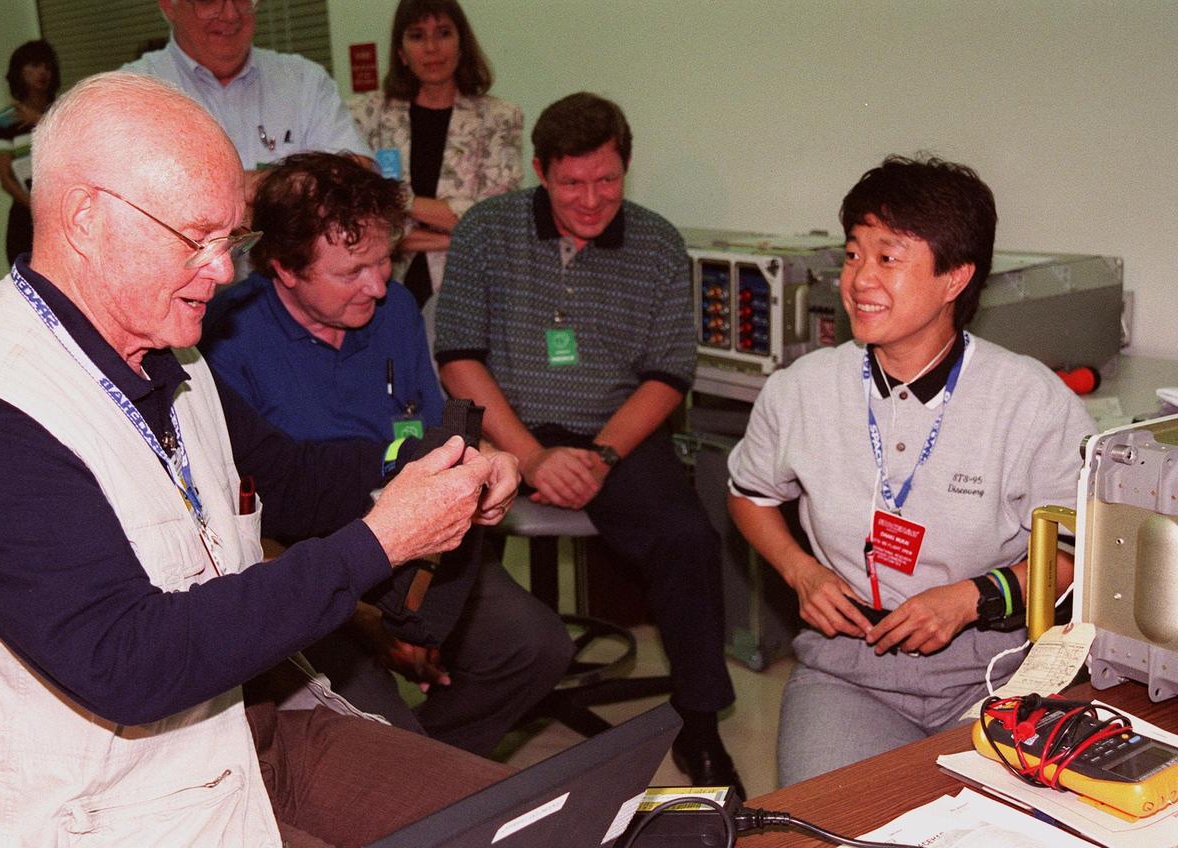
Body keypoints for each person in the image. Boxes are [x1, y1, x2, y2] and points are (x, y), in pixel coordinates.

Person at [0, 71, 521, 848]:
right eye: (197, 238)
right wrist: (381, 541)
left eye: (233, 239)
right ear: (87, 218)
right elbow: (128, 663)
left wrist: (446, 466)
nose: (225, 270)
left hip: (237, 730)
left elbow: (291, 478)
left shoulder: (172, 357)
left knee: (531, 822)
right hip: (99, 805)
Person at [726, 155, 1097, 786]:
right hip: (849, 670)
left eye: (888, 257)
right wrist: (802, 572)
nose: (858, 279)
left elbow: (1079, 549)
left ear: (955, 277)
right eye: (851, 255)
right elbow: (749, 494)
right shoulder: (801, 390)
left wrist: (970, 599)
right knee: (828, 821)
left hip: (998, 669)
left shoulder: (1030, 399)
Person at [200, 151, 572, 756]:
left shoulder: (394, 309)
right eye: (351, 272)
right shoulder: (227, 338)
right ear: (285, 270)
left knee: (533, 648)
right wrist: (375, 625)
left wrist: (488, 465)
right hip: (303, 560)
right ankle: (417, 773)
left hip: (418, 538)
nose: (377, 285)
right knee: (381, 730)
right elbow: (266, 516)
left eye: (383, 262)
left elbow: (432, 435)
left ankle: (438, 773)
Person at [435, 92, 742, 794]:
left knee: (686, 538)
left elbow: (669, 376)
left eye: (607, 180)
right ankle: (459, 718)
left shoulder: (659, 244)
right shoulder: (486, 230)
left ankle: (700, 723)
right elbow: (457, 356)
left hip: (615, 431)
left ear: (626, 169)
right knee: (446, 532)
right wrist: (532, 457)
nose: (591, 199)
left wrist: (602, 456)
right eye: (572, 182)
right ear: (539, 171)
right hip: (502, 422)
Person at [349, 0, 522, 309]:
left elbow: (495, 223)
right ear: (401, 52)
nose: (431, 47)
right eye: (417, 36)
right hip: (384, 292)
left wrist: (403, 202)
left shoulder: (499, 118)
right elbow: (359, 219)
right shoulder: (366, 116)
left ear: (461, 44)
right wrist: (455, 237)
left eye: (443, 33)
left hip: (472, 289)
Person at [125, 0, 371, 191]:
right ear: (169, 6)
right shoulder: (131, 93)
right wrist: (284, 185)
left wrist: (249, 185)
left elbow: (354, 171)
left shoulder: (304, 80)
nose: (231, 14)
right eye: (209, 1)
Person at [0, 39, 60, 263]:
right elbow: (5, 178)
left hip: (61, 204)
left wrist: (40, 120)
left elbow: (76, 143)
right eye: (34, 65)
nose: (42, 72)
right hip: (25, 212)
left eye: (47, 67)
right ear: (19, 72)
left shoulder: (61, 111)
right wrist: (35, 207)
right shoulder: (5, 120)